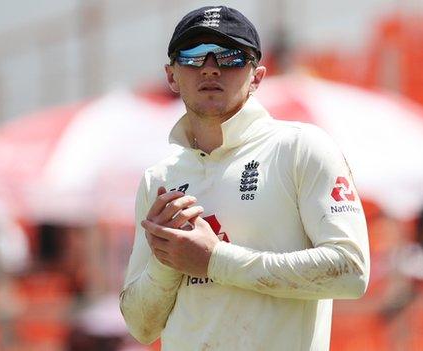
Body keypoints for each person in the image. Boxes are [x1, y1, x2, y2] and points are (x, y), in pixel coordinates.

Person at [119, 5, 370, 350]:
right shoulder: (160, 178)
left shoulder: (300, 147)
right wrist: (167, 263)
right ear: (171, 76)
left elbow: (351, 271)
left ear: (257, 76)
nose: (210, 68)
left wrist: (213, 260)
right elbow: (140, 326)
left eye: (230, 56)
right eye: (192, 56)